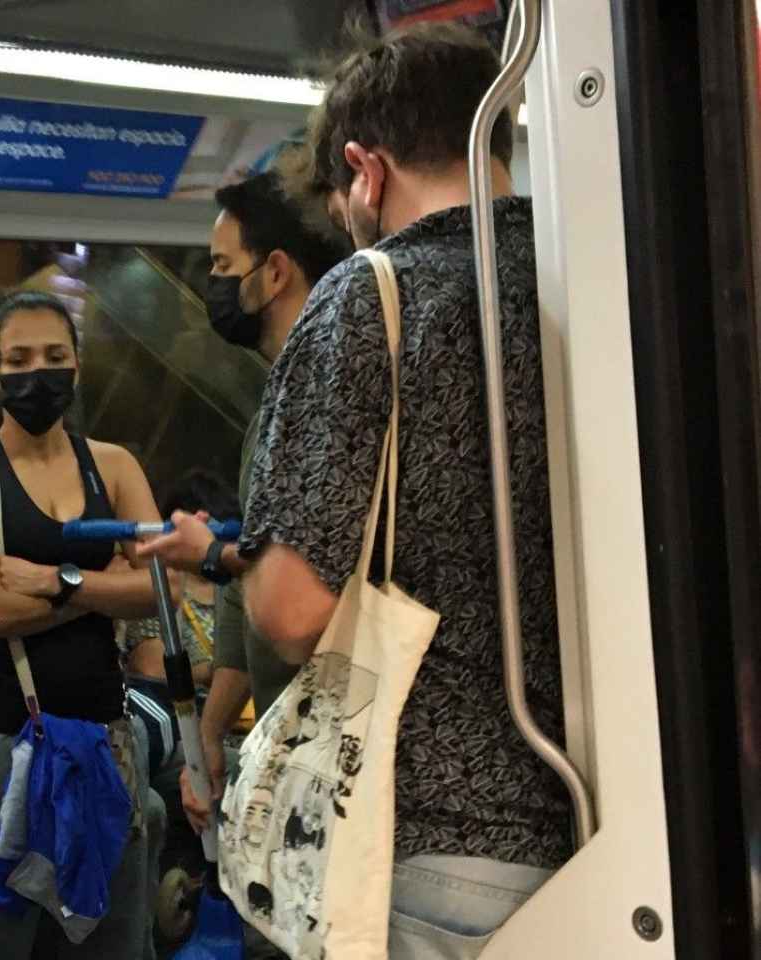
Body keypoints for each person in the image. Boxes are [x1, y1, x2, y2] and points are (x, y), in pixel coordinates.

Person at [220, 24, 570, 958]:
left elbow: (295, 610)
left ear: (362, 170)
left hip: (417, 835)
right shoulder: (591, 286)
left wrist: (246, 567)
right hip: (595, 814)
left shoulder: (372, 295)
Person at [0, 289, 164, 960]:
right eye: (16, 359)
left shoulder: (115, 464)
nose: (36, 373)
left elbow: (161, 586)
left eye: (53, 356)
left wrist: (56, 580)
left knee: (110, 938)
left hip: (104, 737)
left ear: (77, 364)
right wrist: (102, 592)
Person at [136, 170, 347, 830]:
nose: (215, 287)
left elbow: (295, 586)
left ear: (276, 272)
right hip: (286, 730)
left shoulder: (328, 397)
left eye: (225, 266)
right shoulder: (273, 408)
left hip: (331, 740)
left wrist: (212, 552)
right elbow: (246, 595)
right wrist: (213, 732)